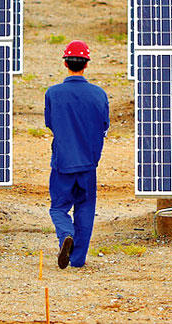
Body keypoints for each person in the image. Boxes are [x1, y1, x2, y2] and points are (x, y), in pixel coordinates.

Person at [43, 40, 109, 269]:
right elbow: (104, 125)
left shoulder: (53, 93)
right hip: (88, 163)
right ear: (86, 64)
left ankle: (66, 234)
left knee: (58, 207)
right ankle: (78, 259)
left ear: (65, 63)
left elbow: (50, 123)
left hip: (63, 162)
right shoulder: (99, 94)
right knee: (85, 209)